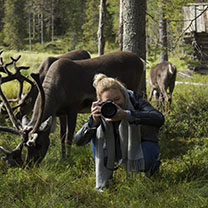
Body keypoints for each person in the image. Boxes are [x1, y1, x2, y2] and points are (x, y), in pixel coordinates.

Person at [74, 73, 165, 192]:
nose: (115, 105)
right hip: (115, 148)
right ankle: (106, 179)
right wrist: (94, 122)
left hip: (141, 144)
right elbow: (78, 141)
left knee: (147, 161)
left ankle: (151, 168)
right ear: (100, 102)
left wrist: (128, 115)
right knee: (95, 134)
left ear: (123, 94)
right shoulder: (100, 111)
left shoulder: (134, 99)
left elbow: (159, 118)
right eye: (110, 102)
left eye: (118, 99)